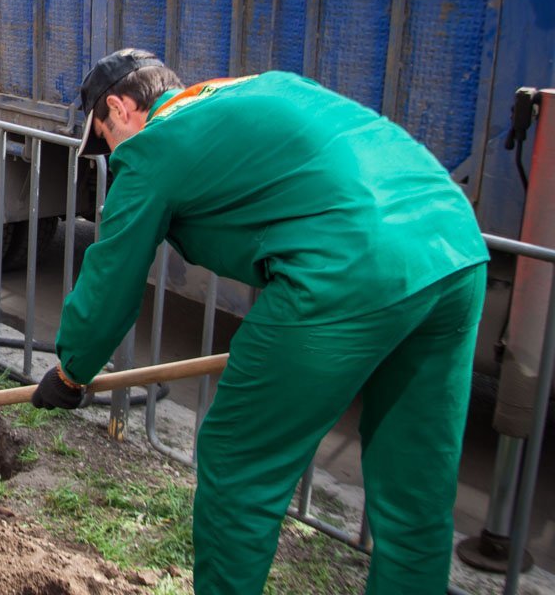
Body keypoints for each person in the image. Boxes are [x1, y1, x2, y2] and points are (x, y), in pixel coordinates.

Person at [30, 50, 488, 594]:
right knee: (415, 483)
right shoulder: (242, 91)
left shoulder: (156, 143)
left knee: (239, 459)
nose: (111, 155)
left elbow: (112, 276)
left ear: (119, 108)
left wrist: (72, 371)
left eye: (105, 139)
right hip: (454, 246)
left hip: (350, 267)